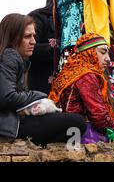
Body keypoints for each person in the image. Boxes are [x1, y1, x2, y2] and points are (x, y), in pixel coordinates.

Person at [0, 13, 86, 146]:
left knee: (71, 124)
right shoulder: (9, 56)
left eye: (33, 36)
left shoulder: (13, 58)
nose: (33, 41)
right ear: (13, 38)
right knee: (77, 123)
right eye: (27, 36)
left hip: (13, 122)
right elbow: (8, 97)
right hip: (10, 125)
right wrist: (40, 96)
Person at [49, 33, 114, 143]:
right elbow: (98, 116)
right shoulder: (86, 75)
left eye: (108, 53)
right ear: (89, 53)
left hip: (61, 131)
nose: (108, 59)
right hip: (78, 135)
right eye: (103, 52)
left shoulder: (71, 72)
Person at [27, 0, 57, 94]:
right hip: (43, 87)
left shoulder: (82, 21)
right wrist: (60, 47)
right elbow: (29, 49)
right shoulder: (38, 16)